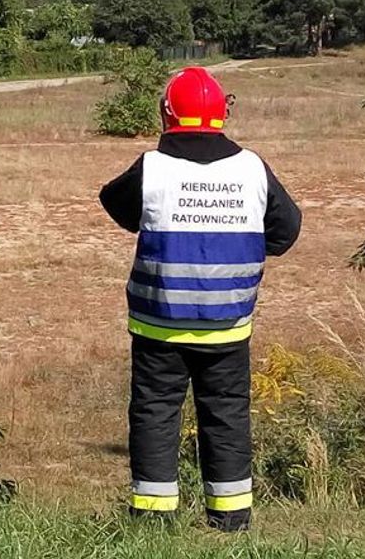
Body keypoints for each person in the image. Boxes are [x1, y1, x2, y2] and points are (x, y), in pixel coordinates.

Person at [99, 66, 301, 531]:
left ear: (167, 113)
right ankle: (230, 520)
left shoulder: (151, 168)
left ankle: (152, 520)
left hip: (158, 326)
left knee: (155, 413)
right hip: (228, 325)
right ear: (222, 114)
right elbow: (286, 232)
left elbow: (114, 202)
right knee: (227, 416)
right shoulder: (252, 168)